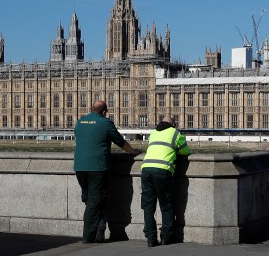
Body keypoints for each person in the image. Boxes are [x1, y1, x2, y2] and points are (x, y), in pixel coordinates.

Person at [73, 100, 139, 243]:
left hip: (79, 167)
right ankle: (87, 238)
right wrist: (133, 151)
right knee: (94, 202)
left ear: (92, 109)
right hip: (97, 167)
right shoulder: (105, 122)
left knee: (89, 198)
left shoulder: (80, 122)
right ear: (104, 112)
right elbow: (120, 142)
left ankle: (100, 225)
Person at [140, 115, 191, 247]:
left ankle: (151, 238)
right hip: (162, 171)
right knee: (166, 206)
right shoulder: (175, 133)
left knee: (148, 207)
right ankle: (166, 237)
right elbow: (185, 151)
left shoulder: (153, 133)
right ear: (173, 125)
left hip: (146, 169)